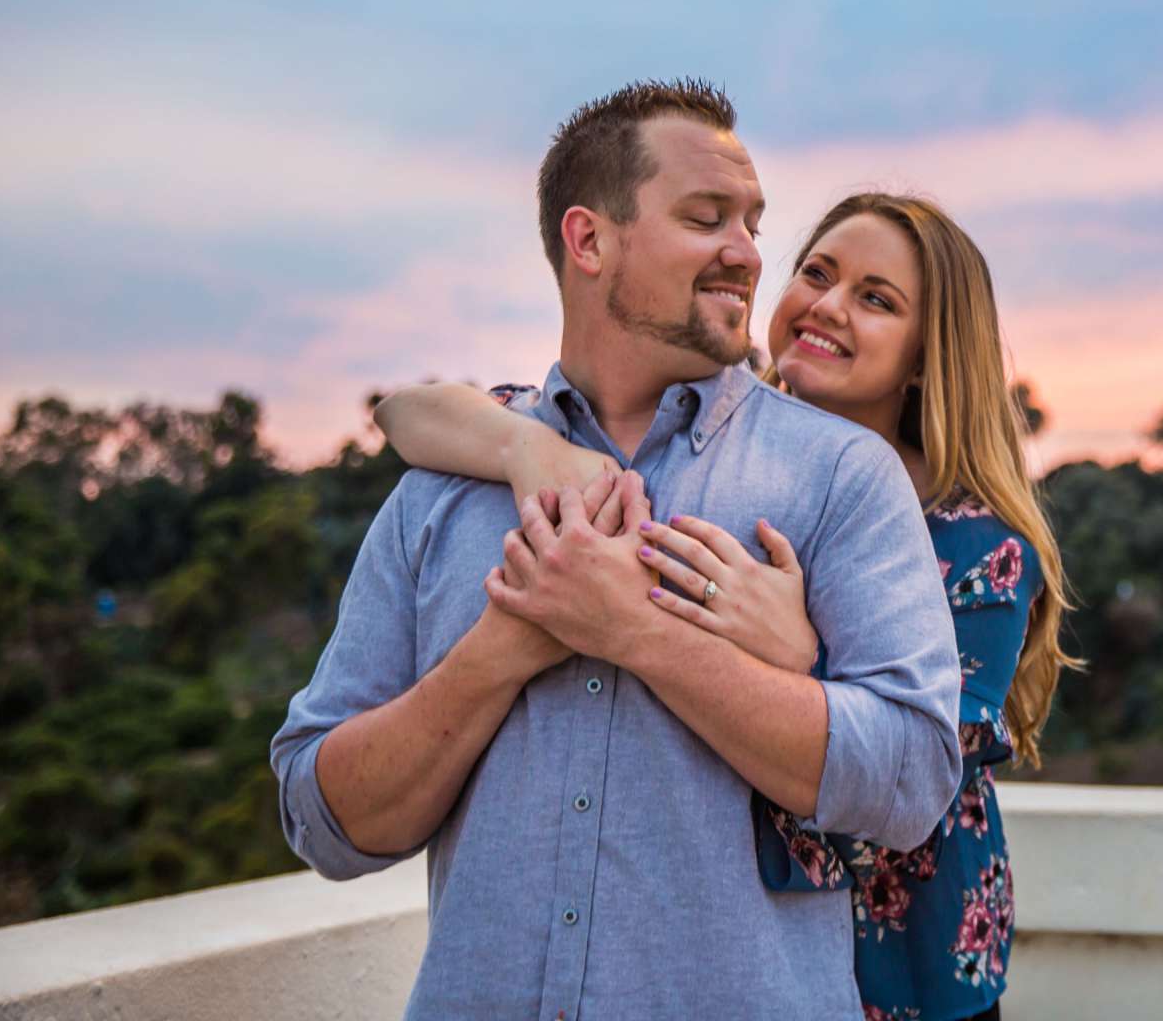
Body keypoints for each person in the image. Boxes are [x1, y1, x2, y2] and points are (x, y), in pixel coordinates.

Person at [271, 81, 963, 1021]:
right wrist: (499, 654)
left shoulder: (841, 477)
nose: (749, 256)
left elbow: (911, 780)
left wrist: (636, 631)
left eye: (755, 225)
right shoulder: (440, 493)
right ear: (589, 240)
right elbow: (322, 822)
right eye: (707, 218)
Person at [378, 191, 1075, 1021]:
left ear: (927, 355)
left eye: (875, 299)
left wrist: (797, 652)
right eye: (818, 274)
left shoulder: (976, 544)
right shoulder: (693, 442)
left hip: (907, 960)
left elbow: (909, 775)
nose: (828, 306)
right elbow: (404, 413)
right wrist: (527, 444)